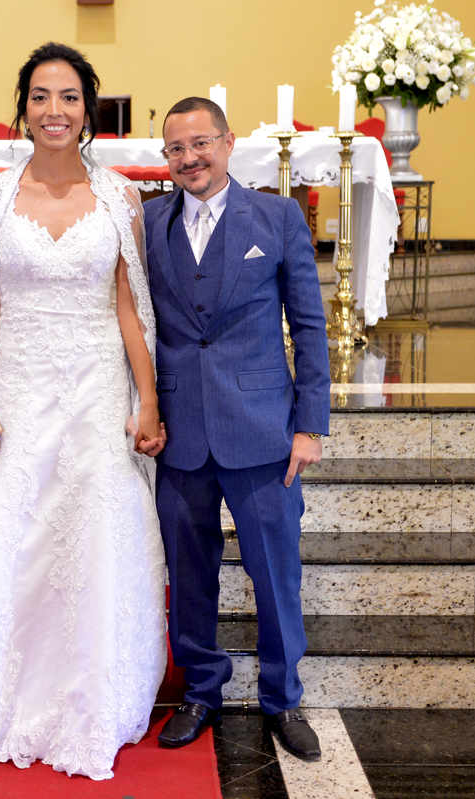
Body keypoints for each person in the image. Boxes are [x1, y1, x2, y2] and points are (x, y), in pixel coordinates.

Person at [0, 43, 167, 782]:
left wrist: (148, 400)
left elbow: (131, 307)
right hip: (19, 388)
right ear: (23, 109)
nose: (55, 110)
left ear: (89, 110)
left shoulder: (121, 199)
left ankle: (91, 697)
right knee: (10, 532)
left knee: (93, 534)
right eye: (40, 97)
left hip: (97, 389)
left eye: (69, 97)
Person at [144, 97, 330, 761]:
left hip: (262, 431)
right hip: (179, 434)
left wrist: (310, 426)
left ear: (227, 144)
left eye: (201, 143)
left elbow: (308, 323)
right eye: (176, 148)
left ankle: (283, 697)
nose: (189, 157)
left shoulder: (277, 217)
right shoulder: (148, 221)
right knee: (189, 573)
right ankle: (201, 691)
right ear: (165, 157)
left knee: (275, 572)